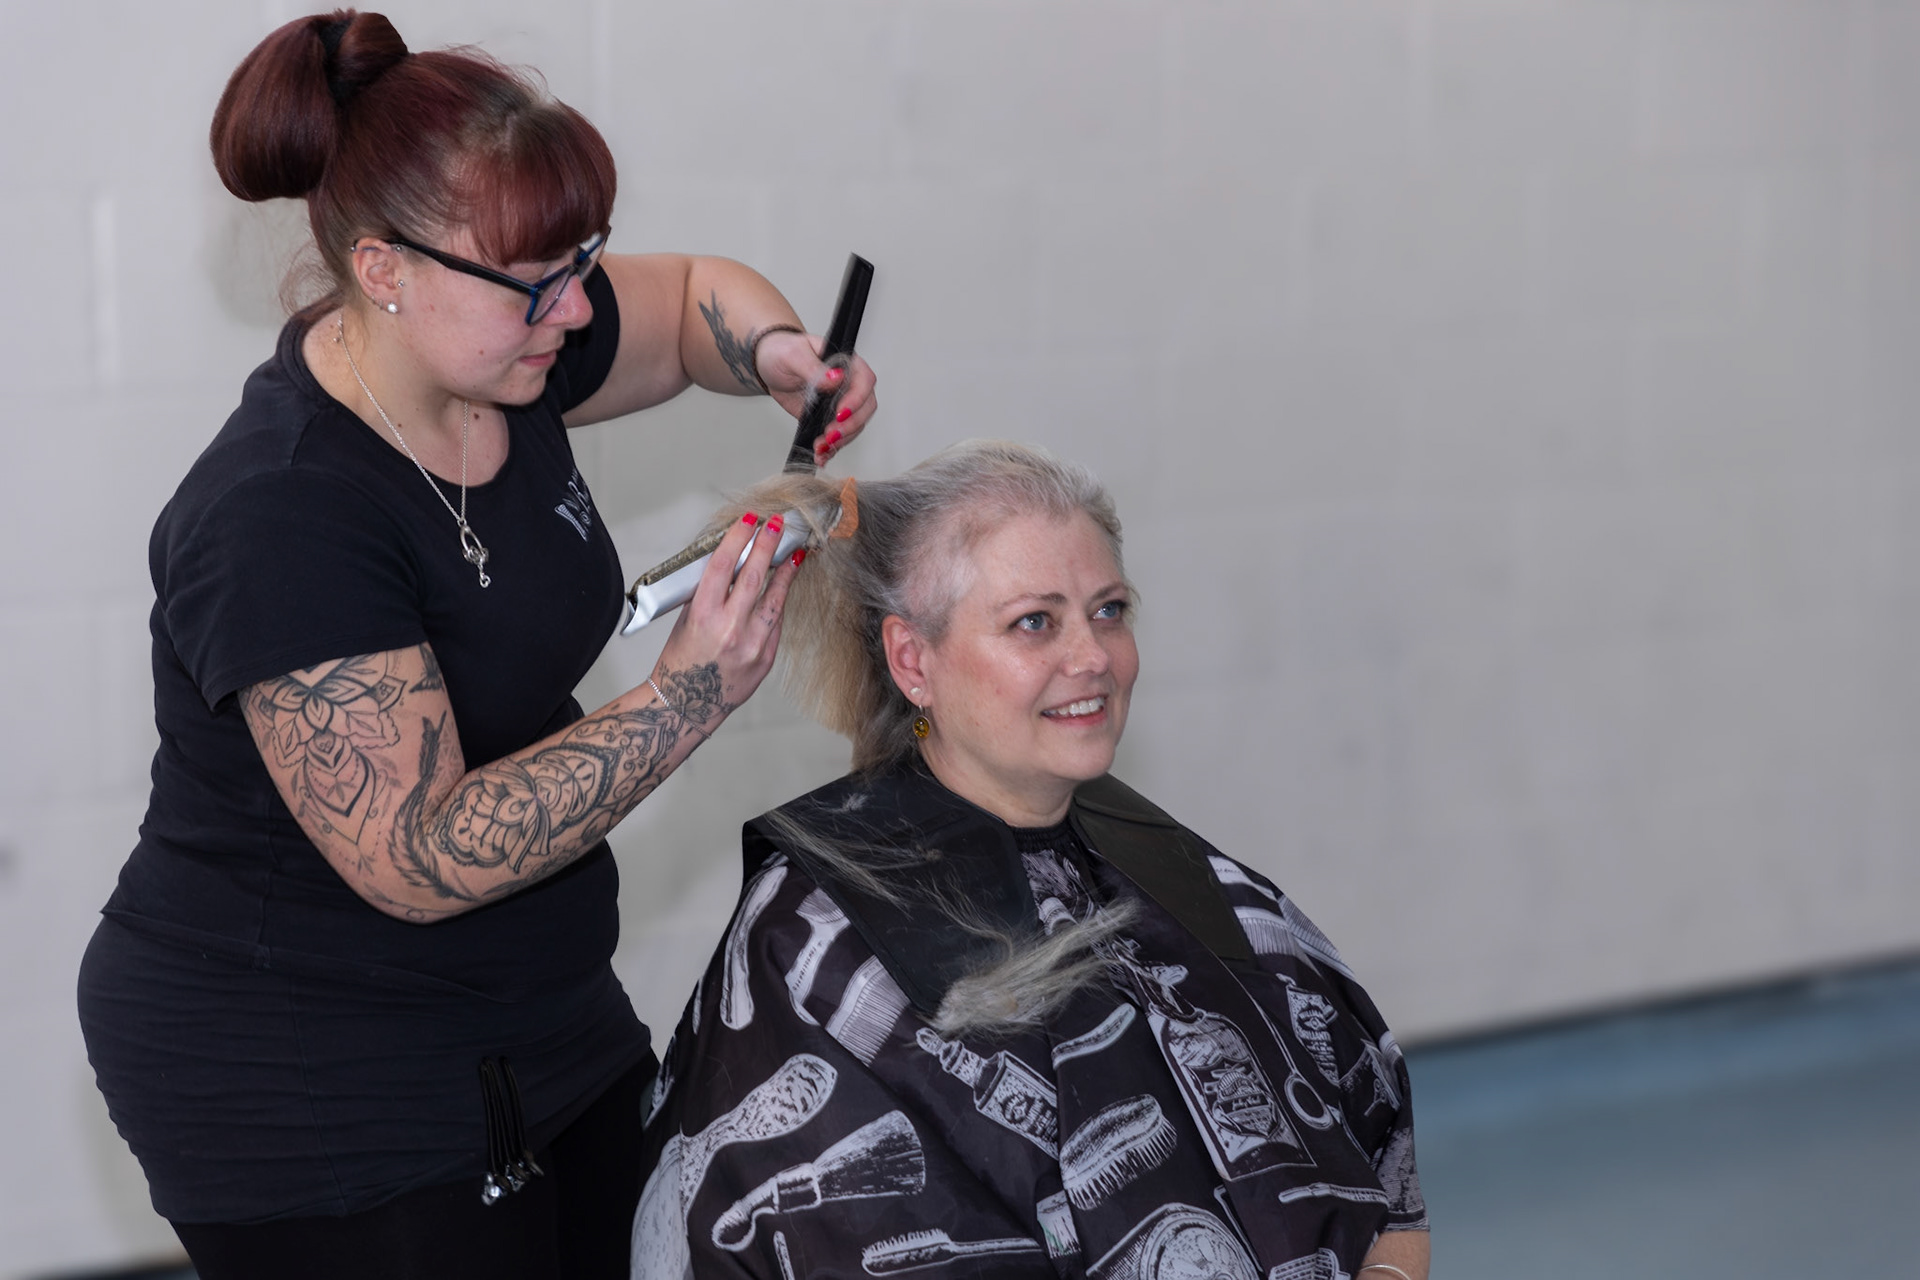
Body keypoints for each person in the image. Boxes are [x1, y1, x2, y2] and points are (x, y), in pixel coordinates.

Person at [74, 10, 875, 1279]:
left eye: (579, 258)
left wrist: (777, 353)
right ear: (385, 269)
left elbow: (685, 304)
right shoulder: (281, 510)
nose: (575, 305)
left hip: (531, 1005)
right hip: (306, 1071)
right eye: (538, 279)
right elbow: (417, 851)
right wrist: (687, 695)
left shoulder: (506, 351)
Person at [631, 442, 1430, 1280]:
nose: (1094, 658)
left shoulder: (1184, 876)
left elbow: (1388, 1165)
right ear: (913, 661)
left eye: (1109, 610)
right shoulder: (812, 942)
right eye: (1035, 623)